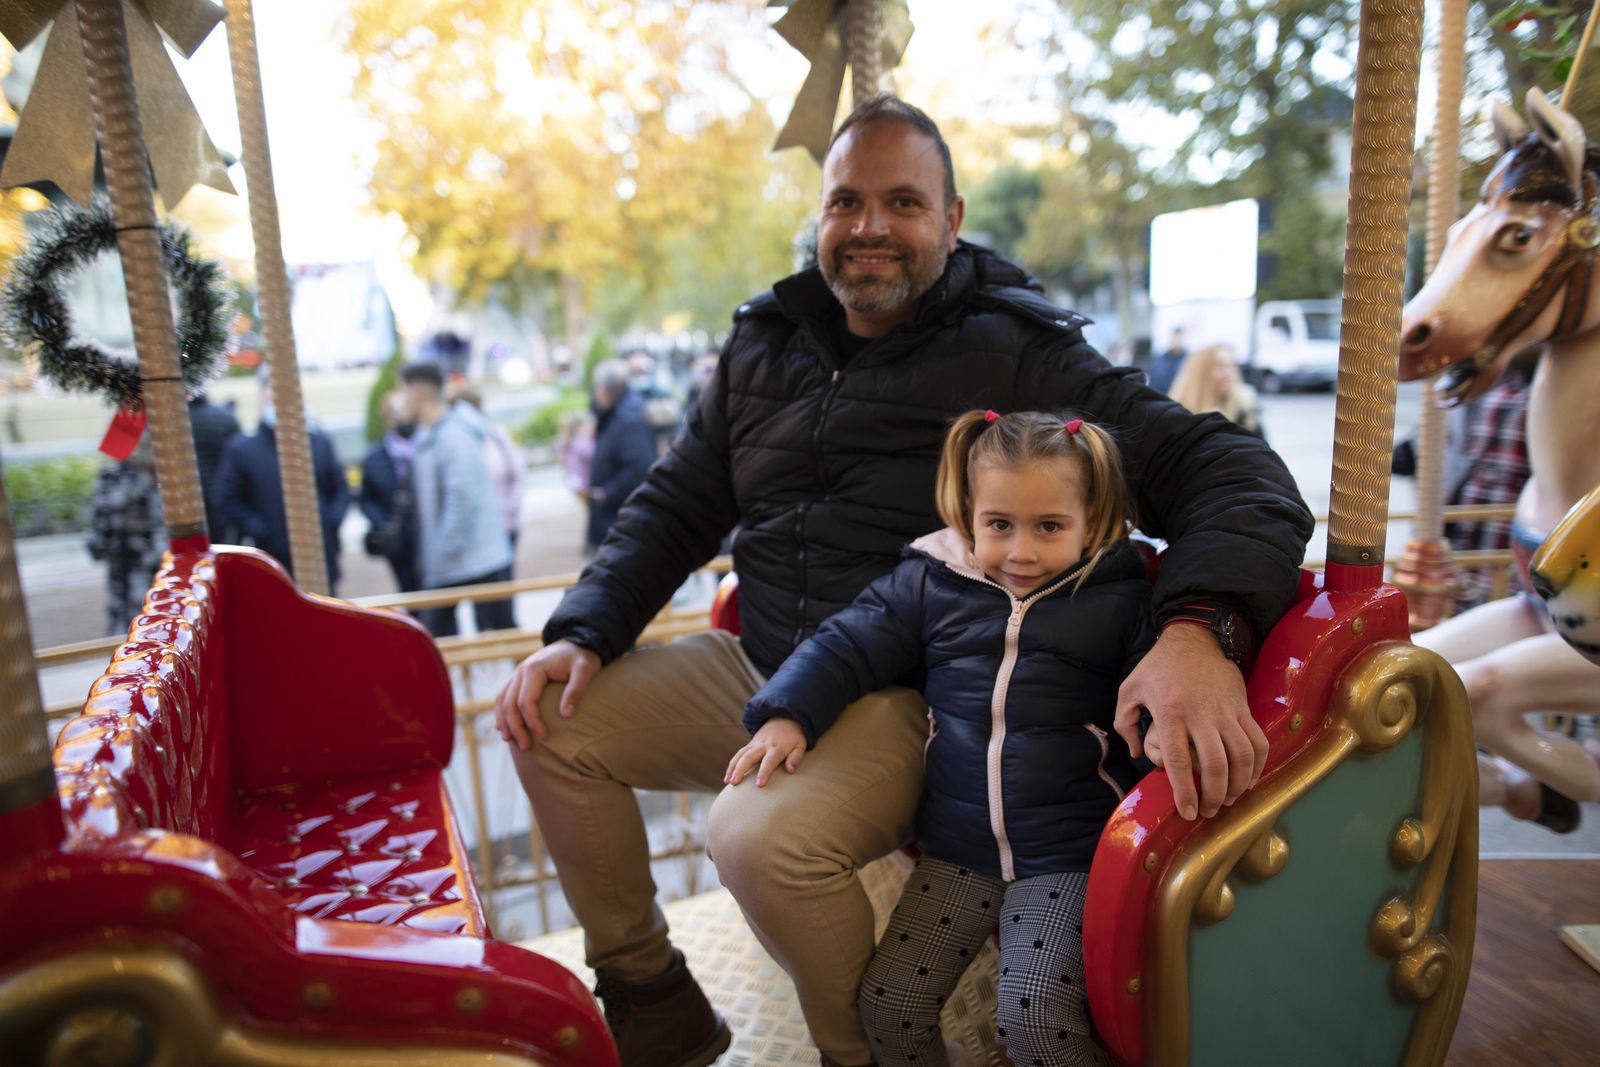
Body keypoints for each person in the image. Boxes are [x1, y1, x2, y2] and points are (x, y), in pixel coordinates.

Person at [493, 95, 1311, 1067]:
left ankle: (864, 1055)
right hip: (768, 661)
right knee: (543, 717)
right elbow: (677, 501)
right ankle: (649, 988)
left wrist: (1198, 626)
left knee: (755, 837)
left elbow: (1231, 473)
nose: (869, 225)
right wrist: (582, 629)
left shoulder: (1016, 349)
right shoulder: (766, 341)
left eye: (902, 202)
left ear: (951, 219)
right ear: (820, 216)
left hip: (908, 690)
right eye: (845, 201)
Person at [728, 410, 1147, 1067]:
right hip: (959, 846)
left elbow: (1155, 699)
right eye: (999, 525)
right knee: (888, 1009)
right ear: (968, 515)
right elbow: (847, 642)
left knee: (1034, 1015)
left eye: (1049, 527)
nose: (1022, 551)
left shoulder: (1119, 598)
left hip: (1068, 850)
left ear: (1090, 521)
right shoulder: (932, 581)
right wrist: (788, 712)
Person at [402, 363, 516, 636]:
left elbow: (462, 497)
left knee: (503, 633)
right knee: (439, 637)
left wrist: (443, 548)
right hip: (455, 558)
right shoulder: (431, 435)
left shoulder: (453, 435)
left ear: (416, 394)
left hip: (473, 557)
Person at [213, 375, 350, 594]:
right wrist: (259, 529)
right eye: (273, 398)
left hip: (320, 551)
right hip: (273, 558)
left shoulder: (319, 442)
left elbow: (340, 488)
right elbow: (226, 499)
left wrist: (330, 522)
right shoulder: (242, 449)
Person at [86, 433, 166, 634]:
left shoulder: (115, 476)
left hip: (128, 573)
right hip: (160, 570)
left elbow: (100, 537)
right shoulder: (165, 476)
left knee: (131, 633)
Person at [585, 359, 658, 552]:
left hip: (622, 516)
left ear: (604, 388)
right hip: (618, 516)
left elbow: (639, 466)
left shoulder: (628, 418)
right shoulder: (618, 413)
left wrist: (606, 493)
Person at [452, 382, 528, 553]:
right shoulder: (458, 444)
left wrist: (512, 509)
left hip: (505, 522)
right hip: (479, 530)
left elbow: (518, 473)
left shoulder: (496, 436)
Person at [358, 391, 421, 594]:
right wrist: (382, 524)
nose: (401, 418)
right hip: (398, 539)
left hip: (425, 535)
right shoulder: (375, 457)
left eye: (405, 411)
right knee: (409, 590)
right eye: (396, 413)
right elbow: (366, 498)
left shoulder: (425, 448)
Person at [1168, 343, 1264, 437]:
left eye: (1231, 366)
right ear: (1200, 373)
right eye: (1220, 366)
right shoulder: (1177, 417)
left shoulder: (1245, 417)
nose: (1228, 374)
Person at [188, 391, 240, 541]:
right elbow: (238, 456)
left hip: (188, 495)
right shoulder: (224, 417)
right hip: (218, 491)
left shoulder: (175, 421)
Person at [1145, 326, 1188, 394]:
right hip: (1161, 396)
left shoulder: (1187, 360)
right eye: (1175, 338)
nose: (1176, 341)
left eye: (1179, 338)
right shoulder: (1159, 359)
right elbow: (1154, 380)